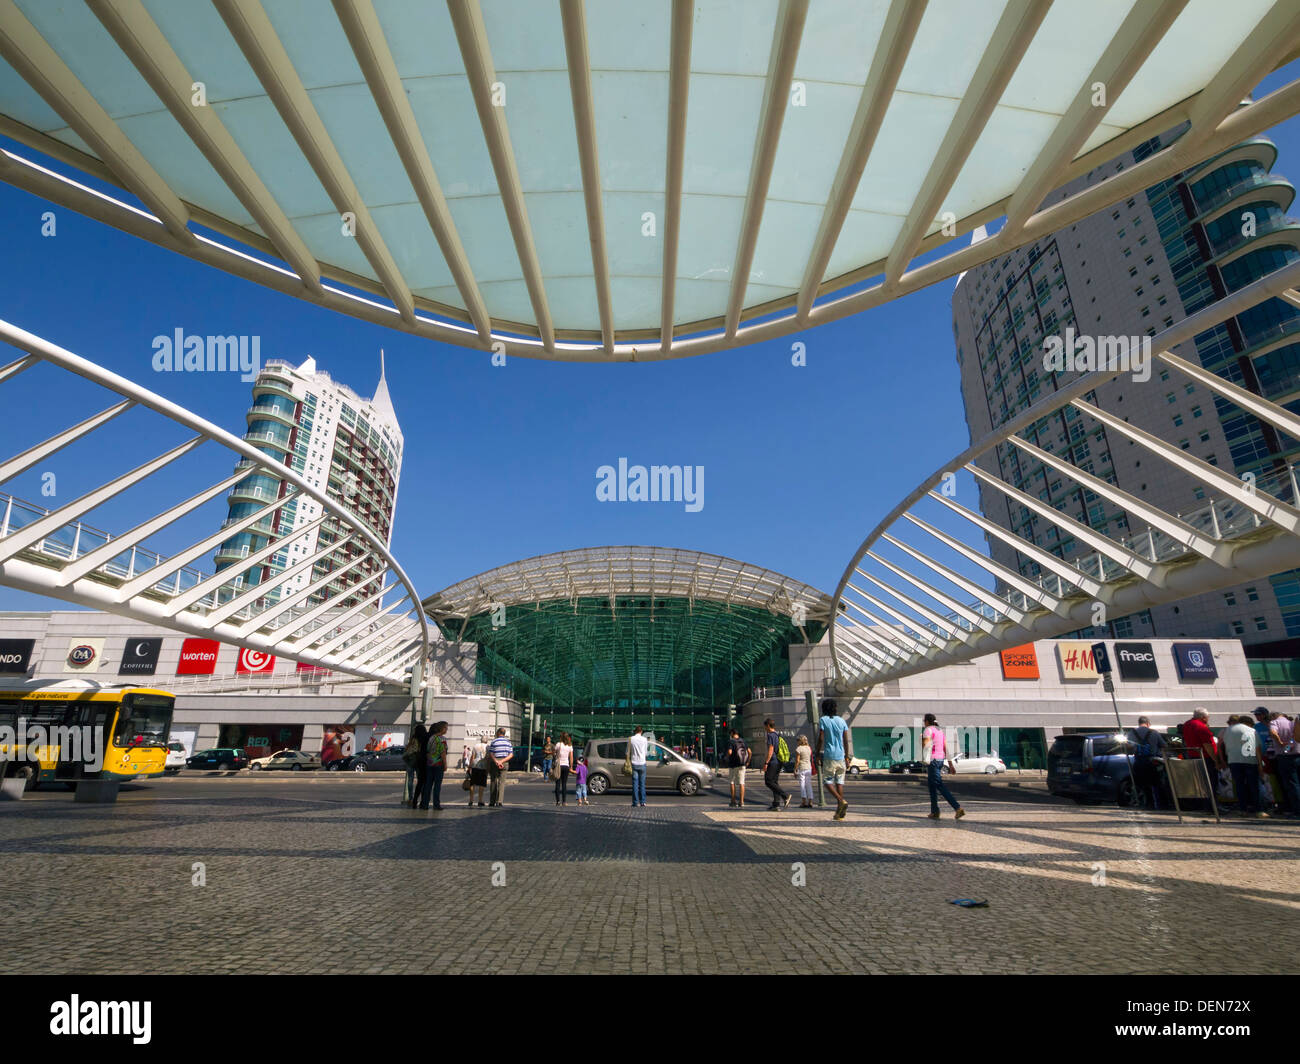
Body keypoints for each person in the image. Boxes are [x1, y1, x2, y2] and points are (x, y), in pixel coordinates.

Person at [922, 713, 964, 820]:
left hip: (933, 761)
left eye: (924, 721)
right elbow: (946, 748)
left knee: (939, 785)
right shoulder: (940, 731)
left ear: (927, 721)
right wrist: (950, 764)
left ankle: (957, 808)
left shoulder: (928, 730)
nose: (923, 723)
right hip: (940, 761)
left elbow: (926, 744)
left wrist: (921, 741)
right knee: (932, 786)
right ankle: (934, 811)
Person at [1222, 715, 1265, 817]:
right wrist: (1260, 764)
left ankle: (1243, 809)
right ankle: (1259, 810)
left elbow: (1224, 745)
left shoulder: (1228, 730)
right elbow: (1257, 748)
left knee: (1239, 785)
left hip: (1233, 760)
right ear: (1249, 723)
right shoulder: (1251, 730)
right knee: (1254, 785)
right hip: (1249, 759)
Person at [816, 699, 849, 820]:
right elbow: (845, 740)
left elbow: (821, 738)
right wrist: (847, 756)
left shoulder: (823, 720)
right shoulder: (842, 721)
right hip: (841, 756)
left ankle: (841, 801)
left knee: (827, 781)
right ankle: (839, 813)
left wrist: (817, 754)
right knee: (839, 782)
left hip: (830, 755)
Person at [1126, 715, 1166, 809]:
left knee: (1143, 785)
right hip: (1152, 763)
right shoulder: (1154, 732)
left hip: (1139, 762)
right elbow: (1164, 745)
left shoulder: (1132, 733)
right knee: (1157, 784)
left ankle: (1148, 804)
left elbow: (1128, 747)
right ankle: (1161, 805)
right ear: (1148, 723)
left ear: (1139, 723)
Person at [1268, 710, 1300, 818]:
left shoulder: (1275, 722)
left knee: (1292, 785)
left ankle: (1297, 810)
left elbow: (1273, 732)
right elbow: (1293, 741)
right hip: (1297, 754)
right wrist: (1288, 747)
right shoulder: (1292, 723)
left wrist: (1280, 742)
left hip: (1285, 758)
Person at [762, 718, 791, 811]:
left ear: (768, 726)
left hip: (773, 761)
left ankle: (785, 796)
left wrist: (766, 762)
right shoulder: (777, 734)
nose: (765, 729)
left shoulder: (770, 735)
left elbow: (771, 750)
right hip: (779, 761)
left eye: (765, 727)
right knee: (774, 782)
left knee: (768, 781)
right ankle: (776, 804)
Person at [420, 721, 448, 810]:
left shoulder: (432, 738)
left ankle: (425, 804)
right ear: (442, 728)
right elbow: (443, 752)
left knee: (428, 784)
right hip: (438, 764)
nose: (447, 729)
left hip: (430, 763)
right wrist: (445, 764)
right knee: (437, 785)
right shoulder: (442, 739)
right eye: (446, 728)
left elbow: (428, 750)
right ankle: (436, 804)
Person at [487, 727, 513, 807]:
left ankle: (492, 801)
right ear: (504, 734)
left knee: (493, 781)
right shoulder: (508, 742)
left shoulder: (494, 741)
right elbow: (511, 755)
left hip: (495, 762)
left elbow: (491, 753)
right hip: (504, 762)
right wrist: (502, 761)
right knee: (502, 783)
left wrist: (497, 761)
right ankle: (500, 801)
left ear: (498, 733)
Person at [406, 723, 428, 810]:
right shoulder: (424, 739)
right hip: (420, 761)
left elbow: (407, 748)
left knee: (410, 780)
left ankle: (410, 798)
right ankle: (421, 798)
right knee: (421, 781)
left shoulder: (413, 738)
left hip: (411, 760)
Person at [727, 726, 750, 808]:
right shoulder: (743, 741)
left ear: (732, 734)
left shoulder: (731, 741)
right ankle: (742, 802)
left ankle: (733, 801)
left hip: (733, 765)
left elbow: (730, 752)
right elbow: (749, 751)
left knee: (732, 782)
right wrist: (747, 761)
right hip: (742, 764)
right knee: (741, 783)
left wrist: (727, 757)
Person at [629, 725, 648, 807]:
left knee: (635, 784)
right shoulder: (644, 739)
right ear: (641, 731)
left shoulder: (631, 739)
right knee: (642, 784)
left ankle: (635, 802)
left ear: (635, 731)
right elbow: (646, 752)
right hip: (642, 763)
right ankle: (643, 801)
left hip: (634, 763)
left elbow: (627, 751)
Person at [467, 734, 489, 807]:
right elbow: (488, 758)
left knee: (473, 783)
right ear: (487, 740)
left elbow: (472, 757)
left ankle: (471, 800)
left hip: (475, 765)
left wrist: (469, 766)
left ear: (481, 739)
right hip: (483, 766)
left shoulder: (475, 746)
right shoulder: (488, 747)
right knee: (481, 784)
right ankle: (480, 800)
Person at [553, 732, 573, 806]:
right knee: (564, 784)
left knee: (558, 783)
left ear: (561, 737)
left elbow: (554, 753)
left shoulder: (558, 744)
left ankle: (558, 801)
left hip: (559, 766)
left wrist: (556, 755)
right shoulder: (570, 746)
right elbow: (571, 757)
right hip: (566, 766)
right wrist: (571, 766)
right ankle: (564, 801)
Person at [794, 734, 814, 808]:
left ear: (800, 741)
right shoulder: (808, 748)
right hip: (809, 768)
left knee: (802, 785)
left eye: (798, 740)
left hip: (802, 768)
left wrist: (795, 769)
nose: (797, 742)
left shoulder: (799, 748)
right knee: (809, 785)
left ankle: (804, 802)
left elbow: (797, 760)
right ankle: (810, 802)